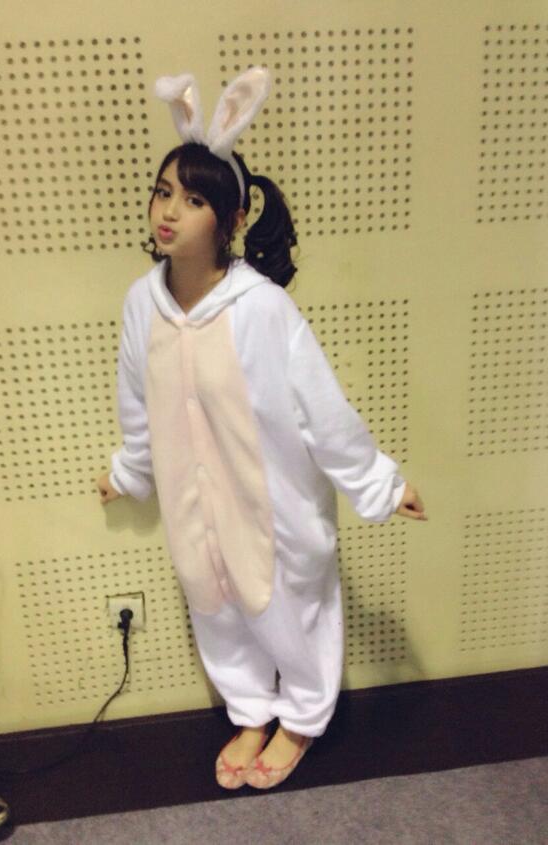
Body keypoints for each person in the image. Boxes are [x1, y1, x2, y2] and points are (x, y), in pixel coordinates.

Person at [96, 67, 426, 791]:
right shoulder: (141, 304)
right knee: (215, 605)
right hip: (192, 503)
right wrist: (130, 471)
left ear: (234, 218)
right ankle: (249, 709)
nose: (168, 212)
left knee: (288, 606)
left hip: (271, 504)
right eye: (162, 192)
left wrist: (379, 483)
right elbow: (136, 400)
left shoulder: (264, 308)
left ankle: (302, 716)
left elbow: (322, 408)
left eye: (193, 200)